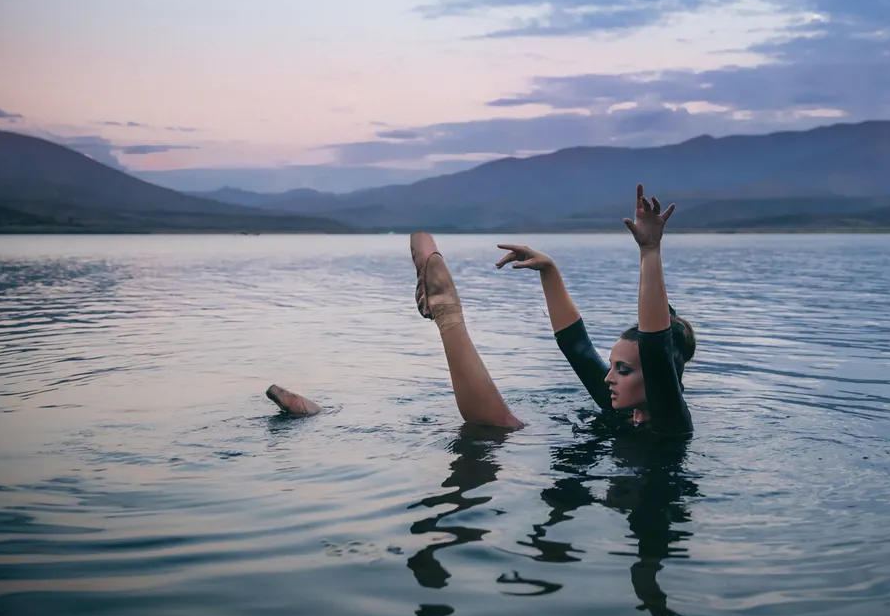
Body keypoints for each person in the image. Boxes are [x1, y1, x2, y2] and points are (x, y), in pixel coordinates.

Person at [266, 183, 694, 437]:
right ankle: (322, 419)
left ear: (660, 380)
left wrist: (650, 252)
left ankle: (447, 314)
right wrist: (550, 272)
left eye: (622, 370)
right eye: (615, 366)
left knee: (496, 431)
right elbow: (578, 348)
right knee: (490, 431)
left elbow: (655, 348)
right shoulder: (618, 409)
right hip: (560, 458)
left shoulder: (671, 421)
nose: (608, 376)